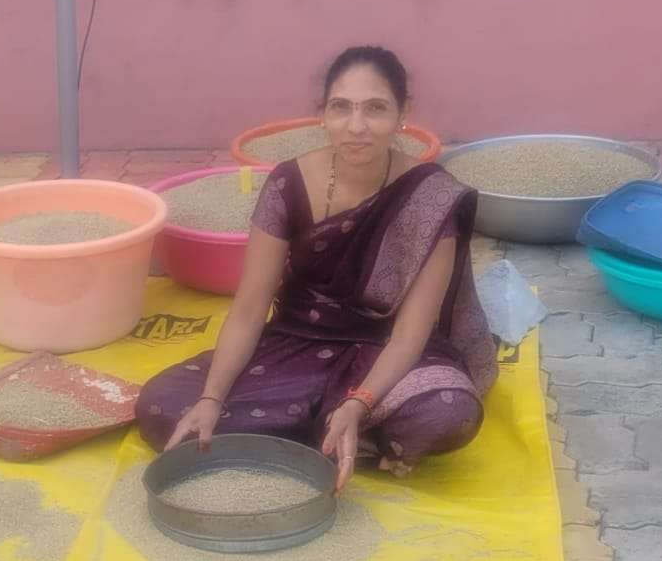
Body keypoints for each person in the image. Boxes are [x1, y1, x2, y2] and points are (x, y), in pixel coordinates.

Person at [136, 46, 496, 491]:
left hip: (387, 351)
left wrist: (359, 403)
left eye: (376, 108)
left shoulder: (433, 198)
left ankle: (328, 429)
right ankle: (350, 441)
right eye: (341, 107)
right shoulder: (288, 184)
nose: (356, 126)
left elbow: (410, 335)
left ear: (403, 114)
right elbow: (249, 309)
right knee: (162, 406)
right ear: (322, 113)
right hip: (297, 346)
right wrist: (211, 398)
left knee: (449, 412)